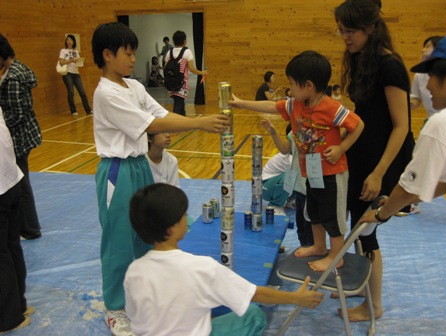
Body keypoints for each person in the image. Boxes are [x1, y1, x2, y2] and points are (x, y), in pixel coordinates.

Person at [91, 22, 228, 336]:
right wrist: (200, 123)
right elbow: (152, 122)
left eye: (134, 53)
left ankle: (139, 294)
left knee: (145, 236)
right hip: (118, 171)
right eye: (127, 53)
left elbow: (161, 115)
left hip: (139, 165)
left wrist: (199, 122)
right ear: (108, 55)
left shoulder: (134, 87)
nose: (132, 59)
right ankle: (115, 307)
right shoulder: (107, 93)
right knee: (119, 243)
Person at [125, 183, 324, 336]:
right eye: (183, 214)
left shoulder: (134, 271)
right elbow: (255, 294)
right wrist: (296, 298)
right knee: (253, 315)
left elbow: (137, 319)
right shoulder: (201, 268)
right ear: (171, 228)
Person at [231, 50, 364, 272]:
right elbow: (272, 107)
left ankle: (336, 256)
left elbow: (358, 125)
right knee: (314, 211)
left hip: (332, 172)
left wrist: (341, 148)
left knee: (333, 215)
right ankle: (319, 246)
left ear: (308, 86)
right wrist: (242, 103)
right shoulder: (295, 105)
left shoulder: (331, 107)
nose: (290, 89)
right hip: (311, 171)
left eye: (292, 84)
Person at [334, 0, 415, 321]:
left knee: (366, 230)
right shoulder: (359, 58)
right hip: (362, 153)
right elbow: (365, 114)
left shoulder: (390, 66)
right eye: (340, 30)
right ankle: (364, 288)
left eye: (350, 30)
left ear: (370, 28)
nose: (344, 37)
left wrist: (380, 173)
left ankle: (373, 305)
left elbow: (401, 126)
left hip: (383, 160)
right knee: (356, 225)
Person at [360, 36, 446, 232]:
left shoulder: (440, 124)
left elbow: (408, 189)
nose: (428, 86)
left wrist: (381, 214)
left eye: (432, 76)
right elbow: (444, 184)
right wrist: (394, 202)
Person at [0, 33, 42, 240]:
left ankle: (30, 228)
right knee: (20, 182)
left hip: (19, 137)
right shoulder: (15, 69)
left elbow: (17, 112)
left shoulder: (13, 77)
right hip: (22, 135)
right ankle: (26, 226)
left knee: (21, 183)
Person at [0, 106, 34, 334]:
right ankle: (18, 306)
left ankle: (9, 317)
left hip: (4, 185)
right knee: (11, 247)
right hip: (10, 179)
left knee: (3, 254)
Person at [260, 119, 314, 247]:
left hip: (274, 184)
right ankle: (275, 205)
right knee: (293, 175)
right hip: (265, 187)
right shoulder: (289, 158)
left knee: (297, 178)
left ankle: (288, 199)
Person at [164, 30, 208, 116]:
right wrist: (201, 72)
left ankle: (182, 120)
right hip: (181, 82)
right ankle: (175, 122)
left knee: (179, 101)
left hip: (171, 82)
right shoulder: (187, 52)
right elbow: (192, 69)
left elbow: (166, 68)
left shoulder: (170, 52)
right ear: (184, 41)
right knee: (179, 103)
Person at [410, 36, 443, 122]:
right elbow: (416, 99)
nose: (423, 50)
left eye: (428, 46)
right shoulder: (419, 75)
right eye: (423, 47)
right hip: (431, 120)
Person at [58, 34, 92, 116]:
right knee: (71, 92)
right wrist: (70, 61)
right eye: (68, 40)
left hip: (76, 73)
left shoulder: (76, 51)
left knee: (82, 92)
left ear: (74, 42)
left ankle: (88, 110)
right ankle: (73, 110)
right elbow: (61, 62)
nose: (69, 41)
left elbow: (78, 62)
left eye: (71, 40)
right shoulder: (63, 51)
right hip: (67, 73)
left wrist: (78, 61)